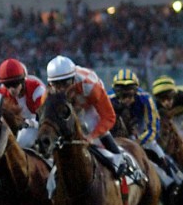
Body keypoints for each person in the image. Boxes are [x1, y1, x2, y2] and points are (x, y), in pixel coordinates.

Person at [45, 55, 144, 183]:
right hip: (70, 105)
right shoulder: (49, 91)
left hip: (87, 105)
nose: (62, 89)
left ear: (73, 79)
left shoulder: (90, 85)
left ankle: (120, 160)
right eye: (56, 85)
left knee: (91, 126)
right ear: (50, 83)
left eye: (65, 83)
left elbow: (109, 117)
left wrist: (91, 137)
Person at [109, 68, 183, 192]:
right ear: (116, 93)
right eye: (123, 95)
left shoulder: (146, 98)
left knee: (159, 154)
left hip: (142, 135)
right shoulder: (108, 99)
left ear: (136, 92)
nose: (127, 99)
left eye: (130, 95)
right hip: (115, 137)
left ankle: (175, 178)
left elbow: (153, 128)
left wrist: (138, 142)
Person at [0, 58, 47, 148]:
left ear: (23, 80)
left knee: (23, 141)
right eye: (7, 85)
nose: (11, 90)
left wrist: (28, 123)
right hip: (19, 128)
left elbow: (44, 117)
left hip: (39, 125)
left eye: (15, 84)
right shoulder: (1, 92)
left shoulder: (37, 88)